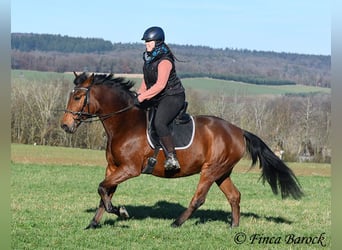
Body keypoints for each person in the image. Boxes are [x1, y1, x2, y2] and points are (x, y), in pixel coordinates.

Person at [134, 26, 186, 171]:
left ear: (158, 42)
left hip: (173, 96)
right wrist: (139, 94)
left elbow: (160, 85)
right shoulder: (149, 59)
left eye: (149, 42)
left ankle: (172, 157)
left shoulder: (165, 61)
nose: (146, 44)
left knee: (160, 122)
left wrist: (143, 97)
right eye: (146, 42)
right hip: (158, 96)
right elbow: (147, 81)